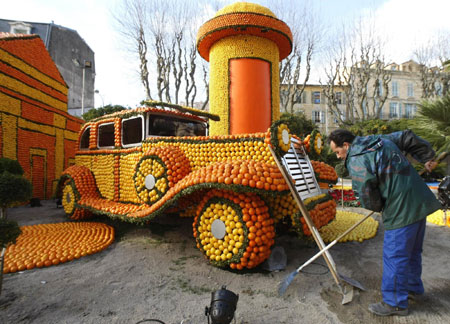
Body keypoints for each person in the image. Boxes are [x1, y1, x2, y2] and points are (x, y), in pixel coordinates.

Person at [328, 129, 441, 317]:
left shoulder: (356, 159)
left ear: (346, 146)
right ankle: (412, 288)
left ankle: (395, 303)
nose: (338, 156)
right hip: (419, 201)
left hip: (401, 208)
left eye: (337, 151)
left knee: (395, 255)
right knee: (411, 251)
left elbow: (366, 194)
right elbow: (407, 136)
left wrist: (379, 207)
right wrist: (426, 157)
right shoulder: (377, 140)